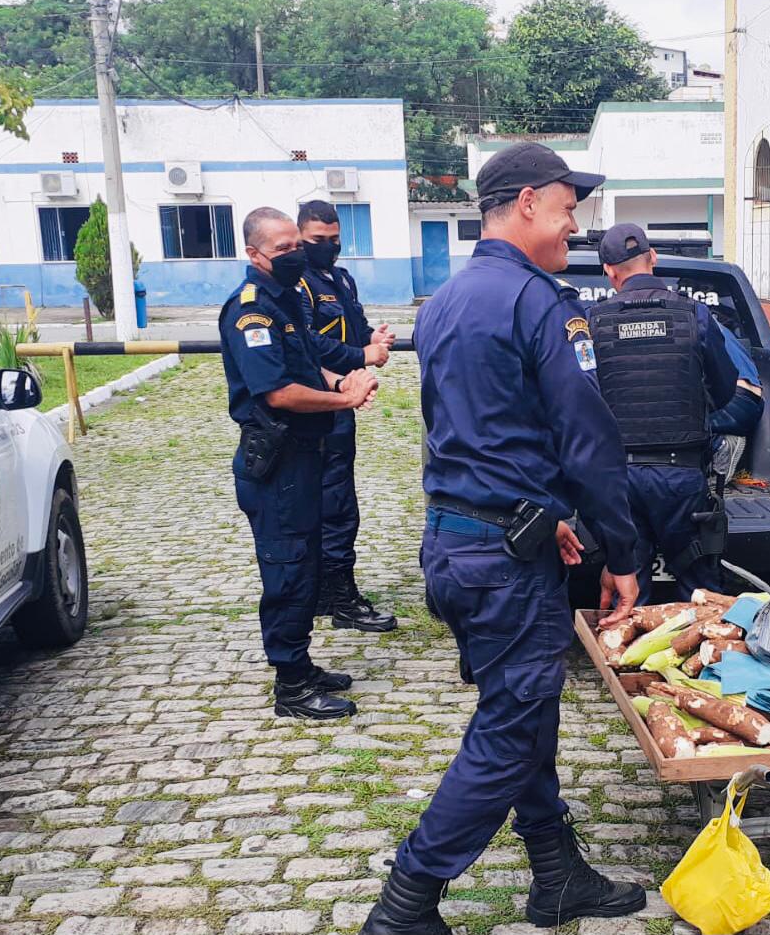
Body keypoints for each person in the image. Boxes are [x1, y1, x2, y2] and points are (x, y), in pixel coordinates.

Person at [359, 143, 644, 935]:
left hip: (459, 544)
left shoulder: (443, 303)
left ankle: (556, 874)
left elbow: (470, 433)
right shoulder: (540, 303)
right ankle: (405, 903)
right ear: (524, 202)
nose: (573, 224)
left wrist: (536, 510)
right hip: (503, 562)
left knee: (522, 714)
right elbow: (587, 442)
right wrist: (621, 552)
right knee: (509, 731)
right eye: (565, 207)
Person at [219, 207, 379, 720]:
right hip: (277, 464)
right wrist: (345, 402)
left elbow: (309, 360)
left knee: (308, 564)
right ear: (254, 255)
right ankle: (291, 686)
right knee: (287, 573)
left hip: (305, 458)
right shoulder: (252, 312)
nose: (297, 255)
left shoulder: (285, 301)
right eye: (284, 249)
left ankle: (302, 665)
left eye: (297, 245)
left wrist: (342, 381)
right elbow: (280, 392)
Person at [587, 223, 738, 603]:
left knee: (628, 594)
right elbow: (723, 390)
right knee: (701, 596)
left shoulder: (592, 322)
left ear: (608, 271)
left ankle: (626, 660)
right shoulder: (695, 316)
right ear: (652, 258)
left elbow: (580, 401)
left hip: (619, 481)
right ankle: (703, 659)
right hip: (682, 478)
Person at [294, 199, 396, 633]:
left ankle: (324, 591)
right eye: (319, 240)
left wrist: (371, 337)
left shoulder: (340, 279)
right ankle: (339, 598)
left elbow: (351, 325)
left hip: (342, 403)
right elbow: (308, 346)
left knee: (336, 503)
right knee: (334, 507)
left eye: (334, 240)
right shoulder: (297, 285)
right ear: (301, 236)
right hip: (317, 406)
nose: (328, 248)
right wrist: (362, 354)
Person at [710, 318, 765, 481]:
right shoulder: (700, 317)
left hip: (734, 402)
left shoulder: (684, 322)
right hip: (749, 400)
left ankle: (720, 445)